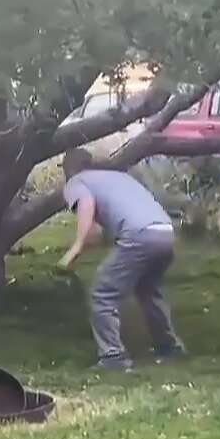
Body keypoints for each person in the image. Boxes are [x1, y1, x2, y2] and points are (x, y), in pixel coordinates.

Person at [57, 148, 186, 370]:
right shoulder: (118, 177)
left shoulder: (77, 182)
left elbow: (86, 204)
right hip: (165, 232)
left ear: (68, 168)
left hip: (139, 234)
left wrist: (75, 249)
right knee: (148, 290)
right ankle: (170, 347)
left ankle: (113, 357)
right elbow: (104, 227)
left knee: (103, 292)